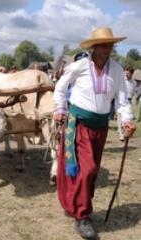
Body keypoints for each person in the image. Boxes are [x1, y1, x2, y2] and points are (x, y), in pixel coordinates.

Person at [53, 27, 136, 239]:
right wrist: (60, 109)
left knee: (91, 171)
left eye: (110, 45)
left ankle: (76, 204)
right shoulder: (80, 66)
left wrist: (127, 120)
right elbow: (61, 86)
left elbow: (122, 99)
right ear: (94, 46)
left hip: (100, 127)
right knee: (85, 169)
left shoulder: (116, 70)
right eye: (103, 44)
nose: (107, 49)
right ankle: (82, 216)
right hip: (78, 124)